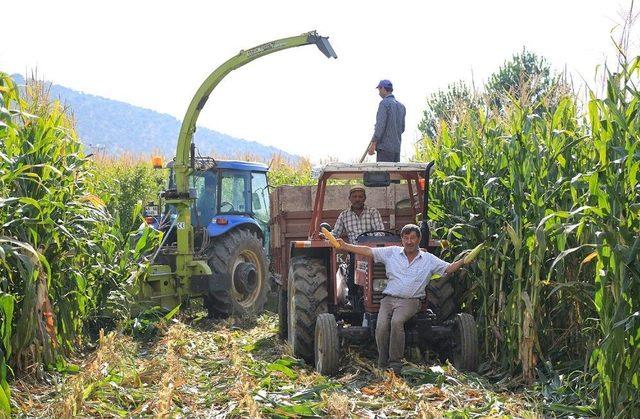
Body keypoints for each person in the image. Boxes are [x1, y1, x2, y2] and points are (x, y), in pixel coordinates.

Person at [333, 224, 470, 374]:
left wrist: (463, 261)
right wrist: (345, 245)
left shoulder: (428, 259)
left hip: (410, 301)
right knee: (381, 326)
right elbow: (368, 251)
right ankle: (382, 362)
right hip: (389, 299)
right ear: (402, 240)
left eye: (412, 238)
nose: (409, 241)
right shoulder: (392, 252)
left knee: (396, 322)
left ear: (419, 239)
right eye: (406, 238)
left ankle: (395, 364)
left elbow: (448, 268)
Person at [368, 79, 406, 162]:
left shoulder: (384, 103)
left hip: (384, 149)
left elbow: (380, 126)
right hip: (396, 149)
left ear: (383, 89)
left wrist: (373, 143)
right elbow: (402, 128)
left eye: (379, 89)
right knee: (394, 174)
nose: (379, 93)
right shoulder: (401, 107)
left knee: (383, 174)